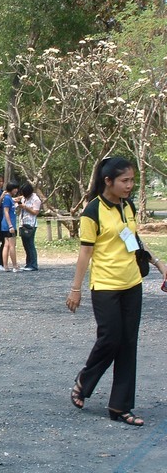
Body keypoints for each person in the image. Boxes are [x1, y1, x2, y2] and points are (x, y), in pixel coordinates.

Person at [66, 157, 167, 427]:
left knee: (128, 343)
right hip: (105, 286)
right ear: (108, 181)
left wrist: (159, 264)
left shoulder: (128, 206)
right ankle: (84, 380)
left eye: (132, 180)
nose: (130, 185)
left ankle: (120, 407)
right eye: (125, 180)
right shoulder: (93, 211)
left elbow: (134, 241)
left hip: (132, 284)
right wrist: (76, 289)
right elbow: (85, 252)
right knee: (110, 338)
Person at [19, 182, 41, 271]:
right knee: (25, 245)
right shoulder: (24, 198)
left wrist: (25, 207)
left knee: (30, 244)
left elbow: (35, 212)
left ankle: (33, 265)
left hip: (31, 224)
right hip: (23, 223)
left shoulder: (36, 199)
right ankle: (28, 263)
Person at [0, 181, 20, 272]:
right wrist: (10, 225)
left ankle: (6, 266)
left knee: (6, 245)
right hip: (9, 224)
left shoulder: (9, 198)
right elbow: (6, 212)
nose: (16, 190)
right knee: (12, 245)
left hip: (6, 224)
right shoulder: (7, 198)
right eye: (15, 188)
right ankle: (14, 265)